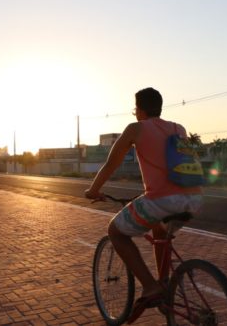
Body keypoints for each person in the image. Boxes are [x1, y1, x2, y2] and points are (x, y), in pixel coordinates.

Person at [85, 87, 203, 323]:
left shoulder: (136, 129)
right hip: (193, 199)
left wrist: (93, 190)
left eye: (135, 108)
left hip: (161, 200)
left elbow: (111, 164)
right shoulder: (178, 128)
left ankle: (150, 287)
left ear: (139, 109)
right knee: (160, 231)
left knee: (115, 231)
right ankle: (164, 283)